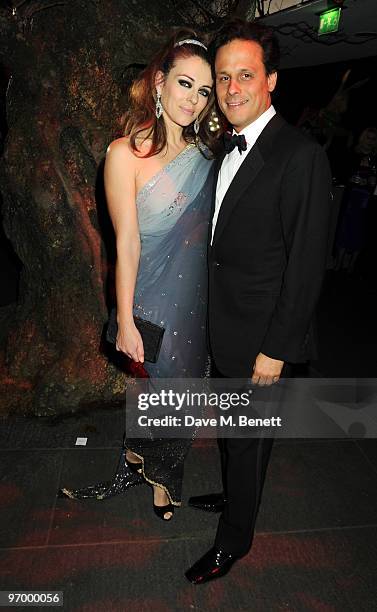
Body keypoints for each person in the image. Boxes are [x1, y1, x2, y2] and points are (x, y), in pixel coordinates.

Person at [185, 20, 332, 583]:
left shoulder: (301, 155)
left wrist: (277, 349)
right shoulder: (225, 146)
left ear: (272, 80)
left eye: (245, 75)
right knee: (242, 436)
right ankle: (236, 497)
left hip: (263, 337)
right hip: (227, 325)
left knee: (245, 437)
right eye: (223, 77)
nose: (231, 87)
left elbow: (306, 266)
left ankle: (234, 540)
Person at [60, 30, 217, 520]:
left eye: (204, 90)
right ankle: (145, 467)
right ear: (158, 84)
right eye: (185, 84)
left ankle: (155, 474)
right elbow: (125, 243)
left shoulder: (208, 157)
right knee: (154, 391)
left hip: (196, 301)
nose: (193, 99)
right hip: (148, 299)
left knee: (184, 394)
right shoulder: (122, 155)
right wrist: (125, 320)